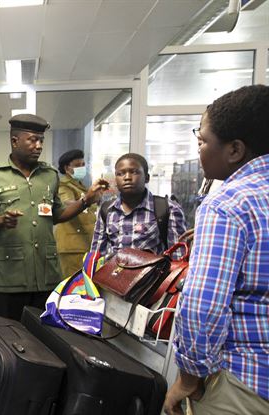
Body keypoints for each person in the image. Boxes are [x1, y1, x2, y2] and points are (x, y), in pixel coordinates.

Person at [164, 85, 269, 415]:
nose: (199, 150)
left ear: (235, 149)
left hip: (243, 380)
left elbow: (203, 306)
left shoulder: (227, 204)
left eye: (203, 141)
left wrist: (188, 378)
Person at [0, 114, 108, 321]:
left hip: (46, 273)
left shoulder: (49, 175)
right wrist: (1, 221)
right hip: (10, 275)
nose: (38, 146)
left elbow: (58, 214)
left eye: (41, 141)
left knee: (43, 336)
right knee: (9, 336)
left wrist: (86, 200)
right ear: (15, 141)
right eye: (32, 140)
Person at [90, 153, 187, 258]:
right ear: (116, 180)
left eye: (134, 172)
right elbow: (95, 256)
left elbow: (178, 258)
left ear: (147, 178)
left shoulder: (168, 209)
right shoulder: (106, 210)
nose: (127, 177)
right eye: (120, 173)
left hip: (151, 273)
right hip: (113, 273)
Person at [54, 149, 97, 278]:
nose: (82, 168)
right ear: (67, 168)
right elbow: (66, 204)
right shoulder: (63, 185)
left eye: (83, 164)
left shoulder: (80, 186)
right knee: (73, 288)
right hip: (72, 246)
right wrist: (86, 200)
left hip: (83, 244)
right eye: (78, 165)